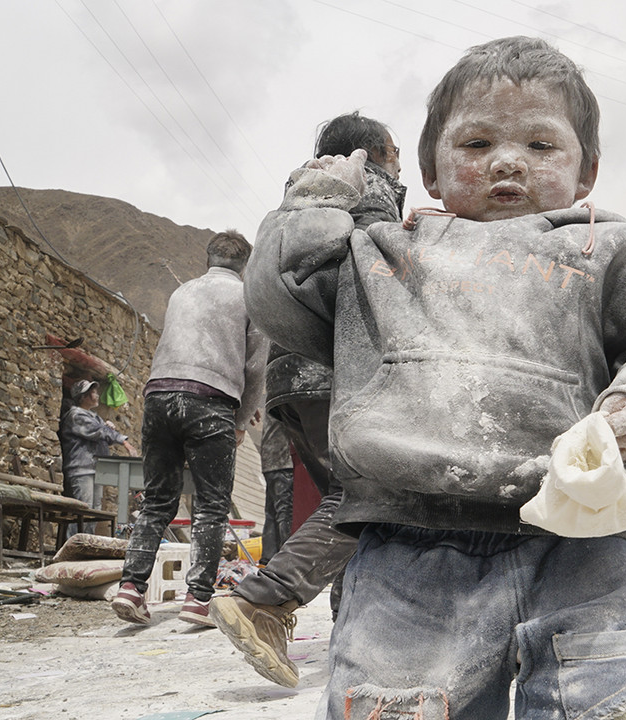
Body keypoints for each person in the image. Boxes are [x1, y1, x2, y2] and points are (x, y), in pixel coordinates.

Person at [245, 36, 626, 719]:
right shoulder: (384, 255)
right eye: (476, 144)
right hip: (407, 552)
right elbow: (285, 300)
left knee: (621, 704)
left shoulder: (612, 250)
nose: (508, 161)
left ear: (587, 170)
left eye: (541, 146)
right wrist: (308, 208)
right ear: (431, 167)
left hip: (586, 545)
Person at [209, 111, 405, 688]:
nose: (400, 165)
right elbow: (380, 270)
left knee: (346, 501)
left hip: (290, 376)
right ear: (370, 153)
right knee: (367, 494)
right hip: (336, 366)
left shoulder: (302, 196)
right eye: (394, 152)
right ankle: (263, 601)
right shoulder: (367, 187)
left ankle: (352, 630)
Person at [111, 230, 267, 627]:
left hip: (159, 395)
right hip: (210, 400)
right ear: (244, 265)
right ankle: (197, 599)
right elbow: (255, 368)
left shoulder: (181, 293)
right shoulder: (248, 298)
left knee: (158, 499)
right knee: (212, 504)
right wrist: (239, 421)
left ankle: (131, 587)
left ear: (209, 259)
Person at [58, 378, 137, 537]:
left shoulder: (94, 416)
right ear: (83, 397)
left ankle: (85, 546)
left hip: (95, 469)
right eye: (92, 392)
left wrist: (107, 426)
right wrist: (125, 442)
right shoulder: (76, 415)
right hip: (82, 469)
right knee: (82, 511)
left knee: (93, 513)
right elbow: (101, 432)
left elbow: (105, 433)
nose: (96, 395)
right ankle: (72, 546)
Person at [256, 413, 294, 565]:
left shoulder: (274, 397)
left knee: (272, 512)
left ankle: (268, 559)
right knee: (286, 512)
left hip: (270, 460)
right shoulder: (287, 401)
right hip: (284, 460)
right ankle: (288, 561)